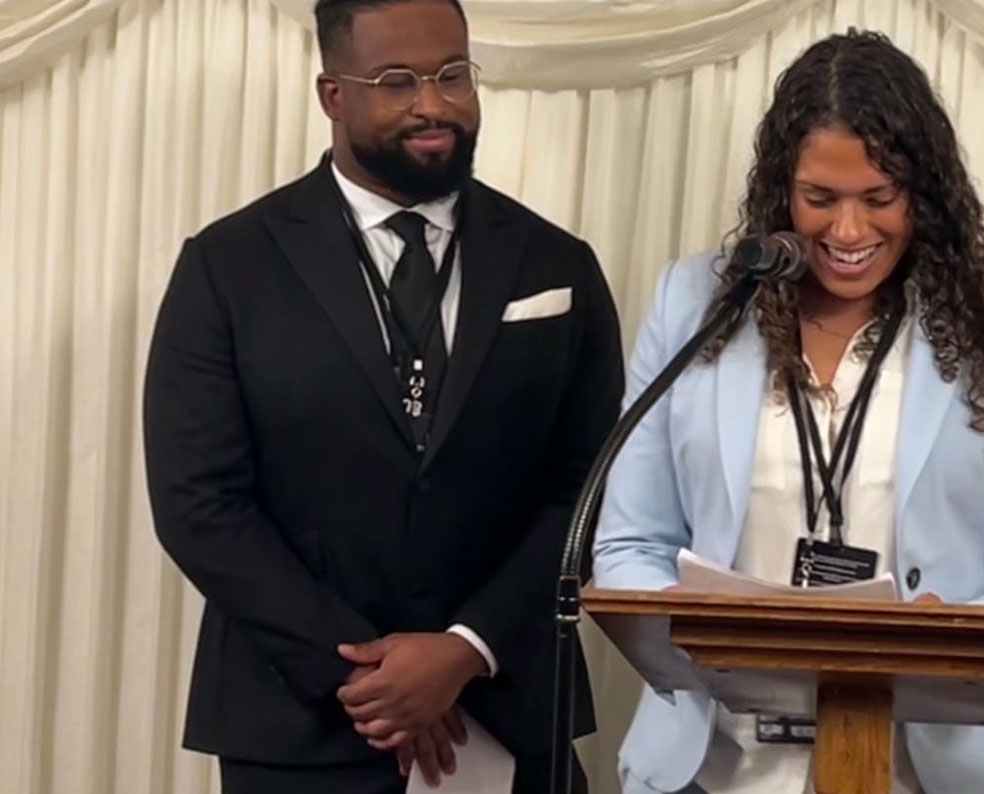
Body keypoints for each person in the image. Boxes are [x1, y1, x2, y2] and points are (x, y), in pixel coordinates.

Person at [142, 0, 623, 791]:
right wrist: (375, 679)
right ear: (333, 94)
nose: (433, 104)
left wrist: (466, 648)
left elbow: (590, 485)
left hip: (506, 712)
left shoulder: (556, 264)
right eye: (397, 81)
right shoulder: (228, 267)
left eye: (453, 75)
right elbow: (199, 503)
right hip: (299, 726)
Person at [591, 29, 984, 794]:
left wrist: (945, 635)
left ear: (921, 192)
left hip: (933, 768)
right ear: (781, 190)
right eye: (820, 199)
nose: (849, 233)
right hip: (714, 766)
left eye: (879, 199)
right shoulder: (695, 304)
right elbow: (629, 541)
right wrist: (702, 626)